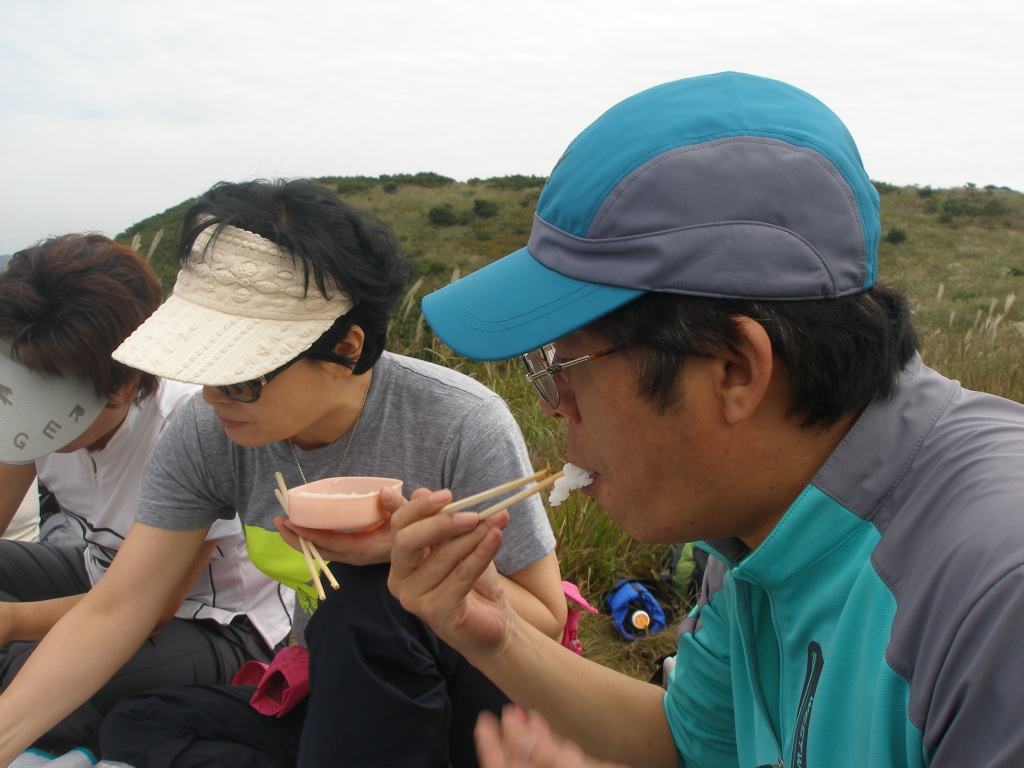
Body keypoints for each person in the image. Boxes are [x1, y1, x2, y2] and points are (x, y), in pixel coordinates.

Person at [385, 71, 1024, 768]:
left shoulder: (992, 594)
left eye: (563, 370)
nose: (554, 409)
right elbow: (691, 745)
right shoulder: (755, 520)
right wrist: (496, 631)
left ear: (735, 369)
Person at [0, 179, 567, 768]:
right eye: (202, 369)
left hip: (464, 702)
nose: (214, 396)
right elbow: (118, 609)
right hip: (327, 683)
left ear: (346, 349)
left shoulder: (459, 424)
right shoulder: (210, 429)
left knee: (366, 602)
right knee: (137, 725)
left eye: (241, 375)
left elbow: (547, 620)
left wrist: (416, 563)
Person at [0, 235, 293, 755]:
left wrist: (14, 622)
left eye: (43, 396)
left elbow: (146, 609)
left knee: (36, 668)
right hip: (100, 575)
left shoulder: (191, 426)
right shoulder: (27, 408)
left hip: (215, 621)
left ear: (121, 384)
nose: (25, 415)